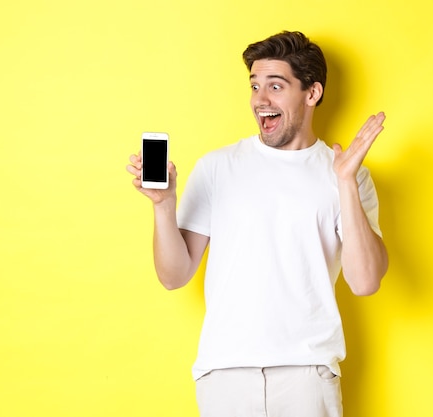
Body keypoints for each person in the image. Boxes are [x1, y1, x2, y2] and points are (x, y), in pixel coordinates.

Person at [127, 30, 388, 417]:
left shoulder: (347, 175)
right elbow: (173, 275)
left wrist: (346, 182)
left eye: (276, 86)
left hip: (307, 375)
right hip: (224, 376)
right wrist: (164, 206)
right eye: (254, 86)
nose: (260, 101)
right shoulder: (217, 167)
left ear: (312, 93)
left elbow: (365, 281)